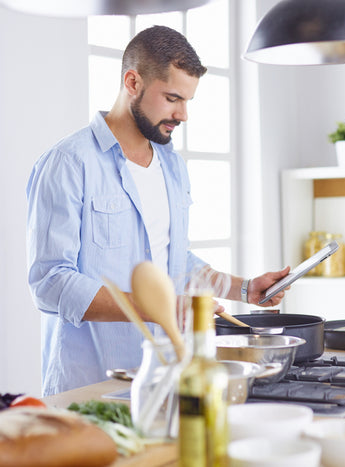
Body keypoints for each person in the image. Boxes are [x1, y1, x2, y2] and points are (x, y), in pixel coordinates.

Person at [26, 25, 289, 396]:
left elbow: (173, 260)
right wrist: (157, 308)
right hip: (90, 387)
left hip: (166, 379)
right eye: (172, 98)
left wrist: (244, 288)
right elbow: (50, 283)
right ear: (132, 82)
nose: (183, 114)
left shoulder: (172, 165)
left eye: (187, 101)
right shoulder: (68, 163)